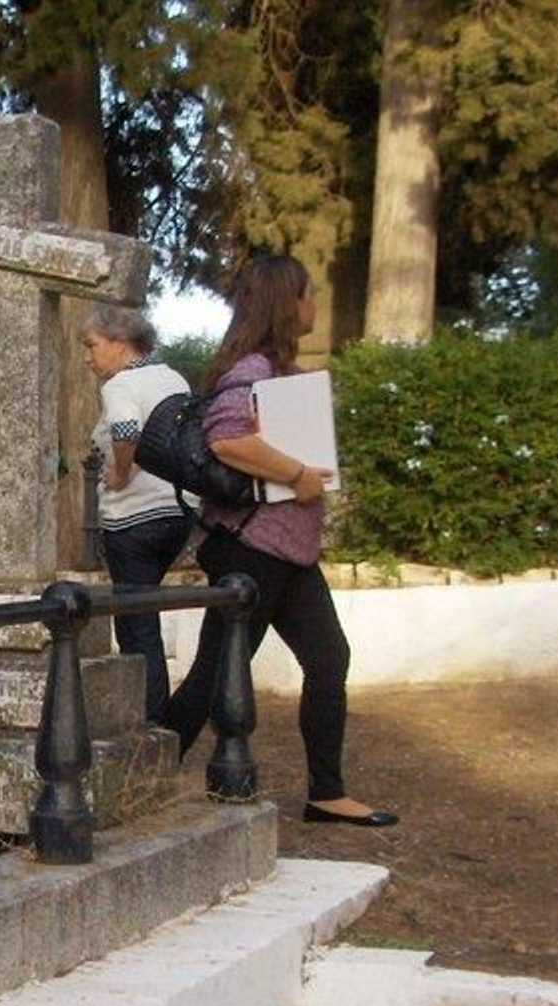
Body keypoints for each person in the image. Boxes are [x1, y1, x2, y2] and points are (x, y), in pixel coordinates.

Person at [160, 254, 397, 828]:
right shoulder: (254, 370)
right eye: (308, 293)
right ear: (285, 303)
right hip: (253, 550)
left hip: (286, 552)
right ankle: (136, 782)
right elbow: (225, 440)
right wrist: (297, 474)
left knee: (327, 658)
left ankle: (327, 792)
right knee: (214, 675)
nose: (315, 303)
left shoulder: (274, 370)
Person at [83, 304, 195, 720]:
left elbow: (126, 430)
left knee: (136, 624)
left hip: (133, 518)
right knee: (145, 615)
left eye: (92, 345)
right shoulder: (173, 378)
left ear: (119, 342)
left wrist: (122, 471)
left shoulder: (119, 385)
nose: (87, 356)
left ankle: (150, 723)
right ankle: (156, 715)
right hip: (177, 511)